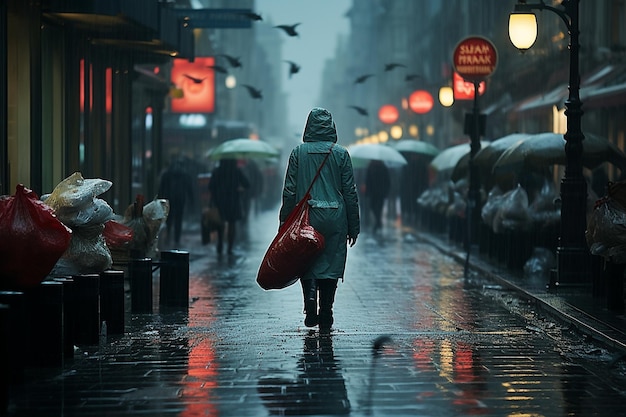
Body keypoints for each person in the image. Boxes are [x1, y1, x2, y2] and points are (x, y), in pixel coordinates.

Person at [279, 107, 360, 331]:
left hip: (307, 216)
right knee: (331, 262)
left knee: (306, 260)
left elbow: (290, 191)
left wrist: (285, 221)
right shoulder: (341, 154)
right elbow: (350, 192)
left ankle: (310, 303)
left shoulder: (298, 153)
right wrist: (354, 226)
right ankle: (327, 309)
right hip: (335, 216)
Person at [208, 158, 251, 255]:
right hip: (233, 200)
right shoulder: (236, 171)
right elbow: (247, 184)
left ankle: (220, 244)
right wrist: (239, 188)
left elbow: (210, 186)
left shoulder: (217, 171)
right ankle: (230, 248)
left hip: (220, 200)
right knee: (232, 224)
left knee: (220, 222)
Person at [158, 157, 194, 245]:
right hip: (181, 199)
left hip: (169, 198)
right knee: (179, 219)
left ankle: (168, 236)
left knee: (169, 219)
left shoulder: (167, 174)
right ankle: (176, 239)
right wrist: (191, 201)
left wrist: (160, 199)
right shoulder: (185, 174)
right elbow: (189, 189)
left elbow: (162, 188)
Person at [365, 160, 390, 232]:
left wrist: (385, 191)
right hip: (373, 192)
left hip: (380, 192)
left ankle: (378, 222)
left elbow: (387, 181)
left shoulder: (383, 168)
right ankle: (378, 221)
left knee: (378, 208)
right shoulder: (371, 167)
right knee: (373, 207)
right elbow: (368, 180)